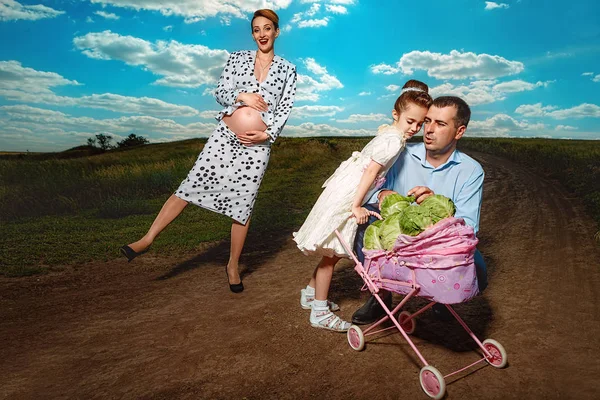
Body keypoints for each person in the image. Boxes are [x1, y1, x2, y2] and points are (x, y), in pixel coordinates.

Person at [120, 9, 297, 293]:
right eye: (256, 29)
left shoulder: (288, 69)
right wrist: (241, 95)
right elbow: (219, 92)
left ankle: (232, 265)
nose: (261, 34)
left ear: (277, 31)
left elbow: (285, 107)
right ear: (252, 34)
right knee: (190, 185)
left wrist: (268, 132)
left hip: (256, 146)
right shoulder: (237, 59)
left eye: (267, 28)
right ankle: (147, 239)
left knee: (243, 203)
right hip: (225, 137)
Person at [293, 80, 433, 332]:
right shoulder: (394, 141)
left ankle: (311, 293)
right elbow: (371, 171)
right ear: (396, 115)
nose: (415, 128)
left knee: (331, 247)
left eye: (420, 124)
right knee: (332, 253)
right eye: (410, 121)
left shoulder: (390, 133)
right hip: (350, 194)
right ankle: (320, 312)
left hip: (346, 186)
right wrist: (356, 205)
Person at [351, 95, 489, 325]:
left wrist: (436, 205)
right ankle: (380, 298)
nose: (429, 130)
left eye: (441, 124)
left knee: (478, 270)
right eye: (427, 121)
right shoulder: (401, 153)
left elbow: (469, 227)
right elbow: (369, 188)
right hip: (395, 242)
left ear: (459, 131)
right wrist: (381, 194)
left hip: (438, 243)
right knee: (365, 219)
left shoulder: (471, 170)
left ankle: (443, 301)